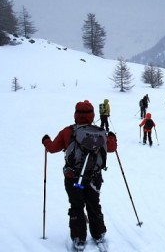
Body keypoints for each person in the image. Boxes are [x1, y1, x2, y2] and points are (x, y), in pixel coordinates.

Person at [41, 100, 118, 250]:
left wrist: (46, 141)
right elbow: (112, 148)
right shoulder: (100, 132)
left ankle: (78, 237)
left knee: (76, 206)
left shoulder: (68, 132)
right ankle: (99, 234)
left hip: (73, 177)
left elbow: (52, 148)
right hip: (94, 177)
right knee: (94, 204)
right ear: (92, 115)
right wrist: (112, 137)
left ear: (76, 114)